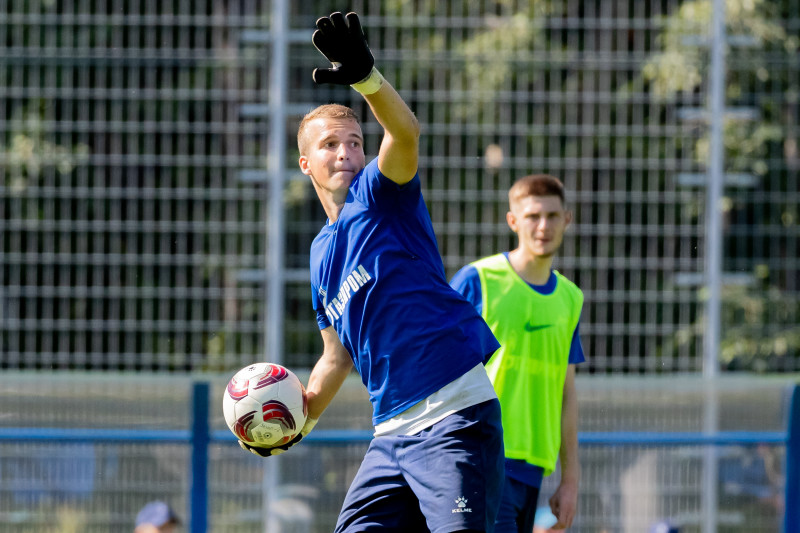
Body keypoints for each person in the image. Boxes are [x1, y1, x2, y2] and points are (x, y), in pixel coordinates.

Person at [239, 11, 505, 533]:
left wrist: (366, 76)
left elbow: (404, 131)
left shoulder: (382, 196)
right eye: (330, 145)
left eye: (356, 141)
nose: (347, 152)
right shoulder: (319, 256)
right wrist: (297, 422)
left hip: (454, 417)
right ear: (305, 163)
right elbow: (335, 356)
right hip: (391, 438)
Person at [450, 174, 585, 532]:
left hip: (534, 469)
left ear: (567, 219)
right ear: (513, 221)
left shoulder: (571, 298)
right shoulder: (478, 279)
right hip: (482, 458)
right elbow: (436, 369)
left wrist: (570, 479)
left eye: (553, 216)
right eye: (532, 216)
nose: (544, 226)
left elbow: (566, 393)